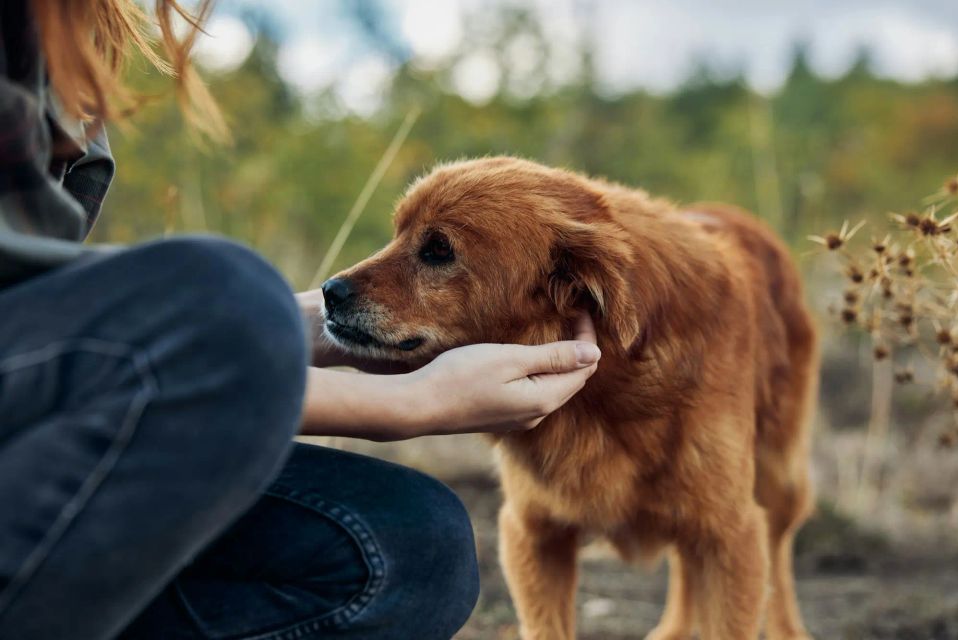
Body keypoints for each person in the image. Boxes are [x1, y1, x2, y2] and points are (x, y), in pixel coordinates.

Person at [0, 2, 601, 639]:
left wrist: (299, 327)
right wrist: (407, 402)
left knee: (413, 547)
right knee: (224, 286)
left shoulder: (64, 24)